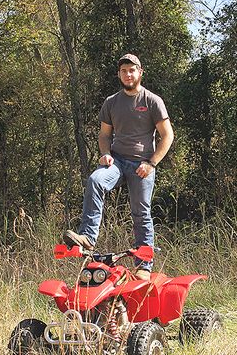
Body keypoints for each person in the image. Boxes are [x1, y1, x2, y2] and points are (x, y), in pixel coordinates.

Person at [64, 54, 174, 280]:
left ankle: (144, 264)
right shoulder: (111, 102)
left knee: (141, 212)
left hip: (142, 165)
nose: (128, 74)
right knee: (95, 180)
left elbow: (167, 136)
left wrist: (151, 163)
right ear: (119, 75)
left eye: (132, 70)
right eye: (124, 71)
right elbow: (104, 135)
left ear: (140, 72)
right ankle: (87, 237)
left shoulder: (152, 101)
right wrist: (105, 154)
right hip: (117, 161)